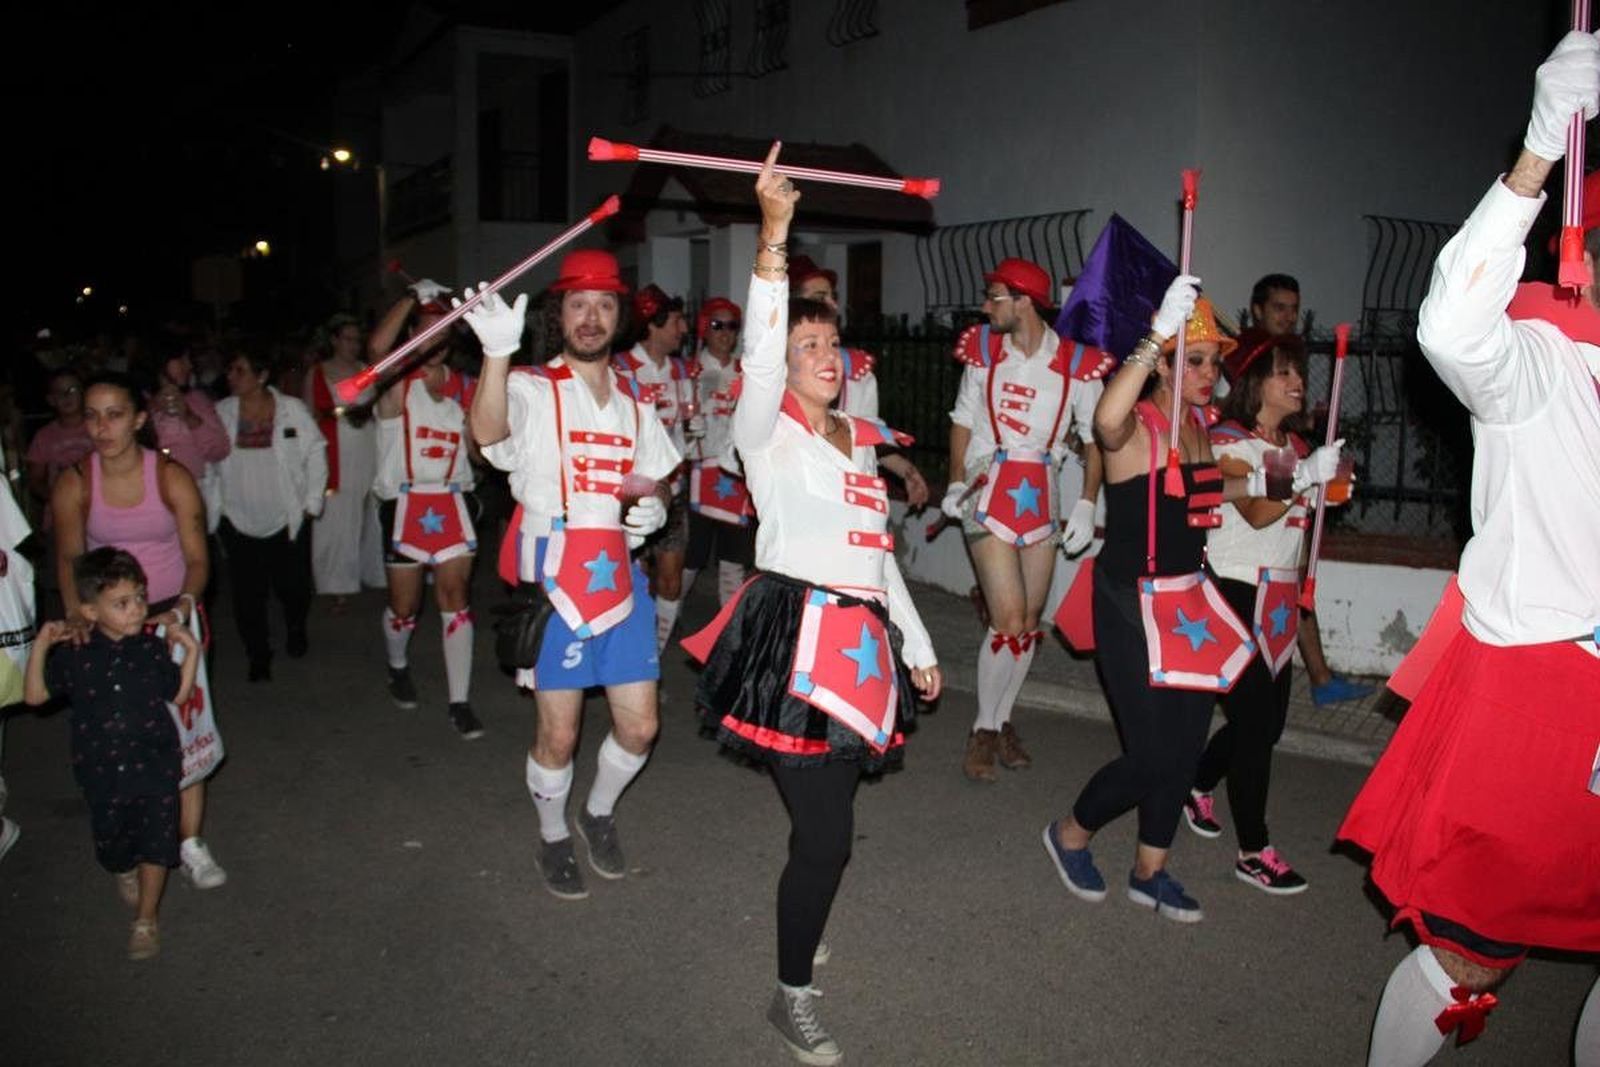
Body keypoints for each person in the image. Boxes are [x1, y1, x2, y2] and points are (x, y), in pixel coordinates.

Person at [1338, 33, 1600, 1066]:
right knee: (1473, 958)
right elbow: (1449, 325)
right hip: (1540, 682)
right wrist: (1536, 153)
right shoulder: (1539, 363)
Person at [680, 146, 941, 1067]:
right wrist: (775, 241)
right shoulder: (766, 431)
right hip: (793, 639)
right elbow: (757, 353)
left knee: (820, 826)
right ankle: (791, 993)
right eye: (808, 347)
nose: (825, 357)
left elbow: (880, 556)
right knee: (829, 833)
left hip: (861, 639)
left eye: (832, 344)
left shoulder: (856, 442)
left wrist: (913, 640)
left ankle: (804, 913)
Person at [1041, 279, 1340, 923]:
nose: (1211, 373)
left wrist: (1302, 475)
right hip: (1129, 601)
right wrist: (1154, 338)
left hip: (1189, 602)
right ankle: (1071, 831)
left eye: (1214, 361)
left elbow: (1230, 494)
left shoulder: (1200, 428)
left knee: (1184, 745)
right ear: (1166, 364)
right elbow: (1103, 421)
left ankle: (1151, 870)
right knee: (1150, 753)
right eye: (1195, 360)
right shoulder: (1140, 424)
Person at [463, 250, 677, 900]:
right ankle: (553, 833)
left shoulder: (638, 404)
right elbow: (486, 433)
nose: (592, 317)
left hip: (621, 577)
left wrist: (654, 507)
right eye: (579, 304)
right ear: (560, 314)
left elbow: (661, 476)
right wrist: (497, 355)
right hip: (555, 581)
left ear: (620, 318)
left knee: (640, 726)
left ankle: (598, 812)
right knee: (559, 732)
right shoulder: (530, 386)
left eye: (605, 304)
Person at [51, 372, 225, 890]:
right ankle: (129, 841)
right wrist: (79, 616)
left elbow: (198, 558)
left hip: (172, 612)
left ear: (140, 419)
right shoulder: (76, 482)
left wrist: (181, 609)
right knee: (124, 737)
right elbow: (69, 559)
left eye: (115, 414)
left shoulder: (170, 477)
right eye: (92, 415)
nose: (101, 427)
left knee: (187, 729)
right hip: (110, 624)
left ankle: (190, 842)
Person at [942, 256, 1110, 781]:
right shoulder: (984, 353)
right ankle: (983, 731)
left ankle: (1003, 717)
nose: (985, 305)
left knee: (1029, 626)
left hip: (1042, 495)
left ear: (1024, 302)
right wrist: (952, 480)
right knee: (1008, 618)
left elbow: (1096, 434)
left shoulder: (1077, 363)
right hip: (987, 489)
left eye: (994, 296)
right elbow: (963, 422)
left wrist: (1086, 500)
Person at [1181, 332, 1333, 894]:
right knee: (1253, 725)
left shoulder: (1291, 444)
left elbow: (1296, 519)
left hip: (1280, 600)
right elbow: (1260, 511)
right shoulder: (1227, 441)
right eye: (1284, 373)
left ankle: (1196, 779)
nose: (1297, 383)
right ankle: (1253, 850)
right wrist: (1306, 478)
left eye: (1299, 373)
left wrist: (1326, 482)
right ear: (1255, 382)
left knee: (1266, 727)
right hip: (1236, 590)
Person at [24, 547, 200, 960]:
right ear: (89, 610)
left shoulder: (152, 651)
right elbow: (34, 697)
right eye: (121, 603)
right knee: (113, 845)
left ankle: (146, 919)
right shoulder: (77, 656)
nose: (137, 609)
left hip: (155, 763)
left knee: (158, 841)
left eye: (139, 596)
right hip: (101, 770)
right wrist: (41, 647)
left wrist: (189, 652)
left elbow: (178, 693)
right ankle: (122, 868)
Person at [1240, 273, 1374, 707]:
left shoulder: (1291, 352)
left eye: (1293, 308)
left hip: (1287, 459)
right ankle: (1314, 676)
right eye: (1279, 307)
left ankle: (1317, 676)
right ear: (1258, 309)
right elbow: (1242, 413)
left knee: (1295, 573)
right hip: (1252, 473)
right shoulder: (1245, 356)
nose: (1288, 316)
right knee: (1281, 576)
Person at [370, 281, 485, 739]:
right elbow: (378, 351)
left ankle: (460, 700)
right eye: (425, 333)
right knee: (404, 607)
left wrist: (483, 433)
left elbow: (480, 454)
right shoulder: (398, 385)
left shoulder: (462, 390)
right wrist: (408, 299)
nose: (434, 343)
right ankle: (397, 665)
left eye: (442, 334)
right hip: (404, 503)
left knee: (455, 599)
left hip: (454, 500)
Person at [212, 350, 327, 681]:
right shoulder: (221, 413)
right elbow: (209, 464)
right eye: (230, 370)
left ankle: (295, 627)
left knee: (294, 587)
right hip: (238, 517)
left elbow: (316, 451)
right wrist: (214, 511)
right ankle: (258, 654)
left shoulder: (292, 410)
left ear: (262, 376)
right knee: (248, 594)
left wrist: (312, 501)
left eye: (240, 370)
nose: (232, 376)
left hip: (286, 516)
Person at [790, 255, 931, 509]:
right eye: (821, 297)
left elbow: (866, 433)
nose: (833, 304)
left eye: (834, 296)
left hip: (850, 503)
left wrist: (906, 471)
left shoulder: (856, 371)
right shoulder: (771, 374)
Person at [612, 283, 698, 652]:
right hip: (632, 491)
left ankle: (653, 656)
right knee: (634, 579)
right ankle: (629, 652)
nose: (684, 330)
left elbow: (689, 428)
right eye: (677, 322)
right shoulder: (619, 369)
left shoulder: (683, 370)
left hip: (674, 490)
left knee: (671, 581)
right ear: (652, 325)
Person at [304, 313, 386, 610]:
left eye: (357, 339)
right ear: (335, 340)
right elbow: (309, 417)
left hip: (367, 441)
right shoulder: (319, 372)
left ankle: (372, 572)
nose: (354, 345)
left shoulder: (365, 369)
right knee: (338, 515)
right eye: (348, 339)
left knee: (370, 510)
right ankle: (335, 584)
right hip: (335, 445)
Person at [682, 297, 757, 607]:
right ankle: (660, 634)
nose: (725, 332)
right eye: (717, 325)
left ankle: (729, 634)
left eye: (732, 326)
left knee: (734, 559)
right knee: (690, 558)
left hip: (736, 477)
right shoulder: (688, 371)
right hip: (695, 474)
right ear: (704, 328)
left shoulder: (747, 373)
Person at [138, 338, 231, 483]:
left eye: (188, 359)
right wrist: (152, 409)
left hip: (194, 489)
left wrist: (189, 416)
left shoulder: (197, 400)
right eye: (181, 360)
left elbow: (220, 450)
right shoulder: (136, 403)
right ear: (161, 362)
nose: (189, 365)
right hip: (152, 489)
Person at [25, 368, 93, 510]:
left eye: (72, 390)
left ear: (84, 393)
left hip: (98, 508)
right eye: (59, 392)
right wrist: (58, 498)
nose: (66, 396)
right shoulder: (44, 436)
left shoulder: (98, 428)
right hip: (59, 513)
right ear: (51, 400)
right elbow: (35, 480)